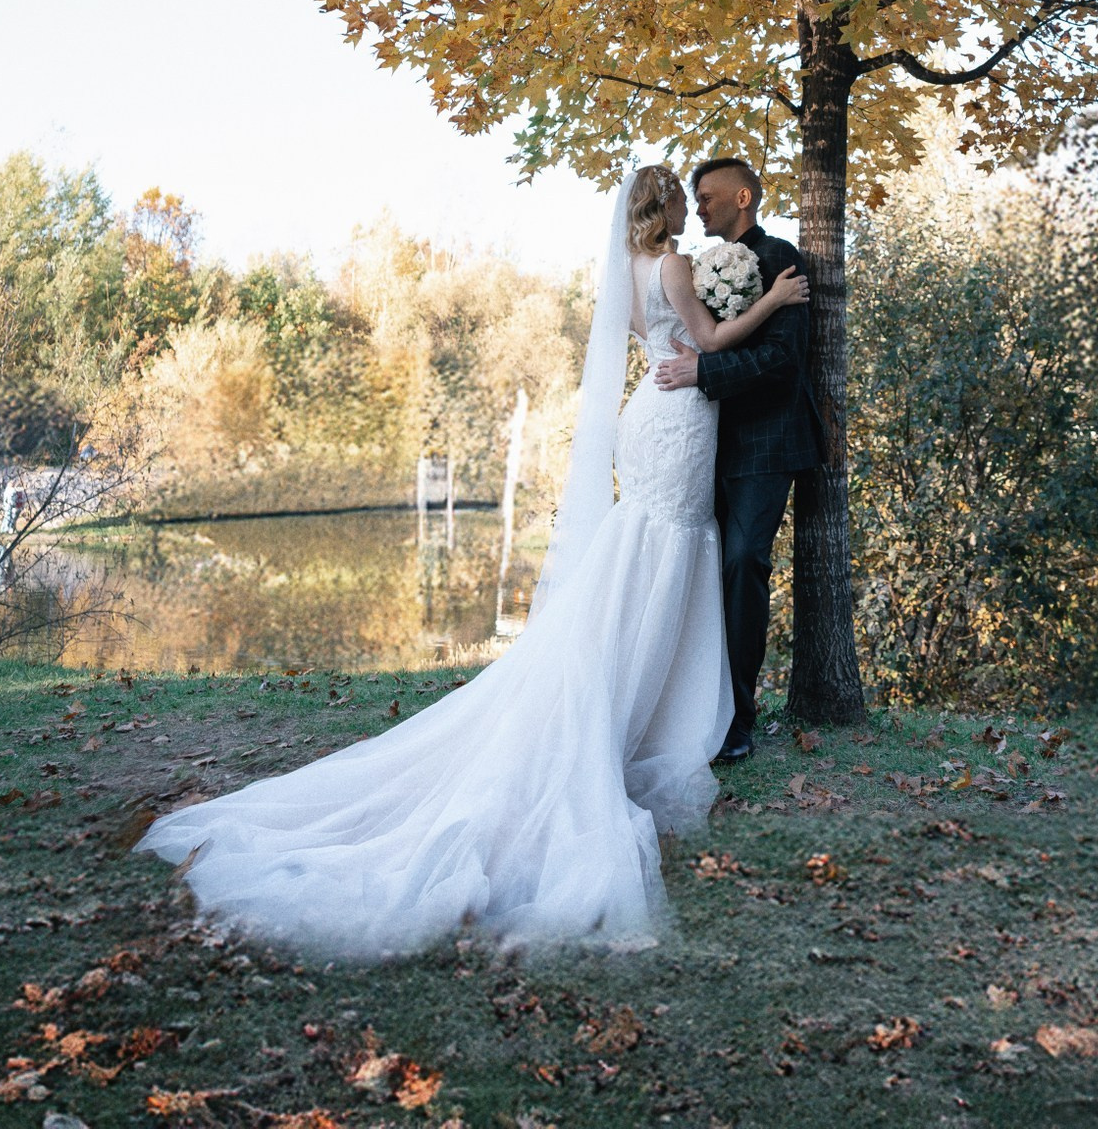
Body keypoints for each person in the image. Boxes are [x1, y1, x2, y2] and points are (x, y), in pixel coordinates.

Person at [135, 163, 800, 956]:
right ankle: (663, 713)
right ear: (669, 211)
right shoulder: (677, 265)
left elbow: (668, 340)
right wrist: (771, 300)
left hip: (651, 416)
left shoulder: (624, 273)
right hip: (681, 413)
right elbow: (715, 339)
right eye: (686, 202)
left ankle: (652, 701)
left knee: (649, 550)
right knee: (669, 548)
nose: (693, 212)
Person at [651, 157, 823, 765]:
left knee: (743, 564)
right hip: (702, 439)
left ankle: (736, 719)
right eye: (694, 198)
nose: (697, 207)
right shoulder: (697, 268)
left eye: (706, 196)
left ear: (742, 197)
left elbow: (783, 359)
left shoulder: (780, 260)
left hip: (765, 441)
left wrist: (703, 369)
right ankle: (684, 704)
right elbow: (697, 332)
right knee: (691, 567)